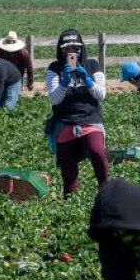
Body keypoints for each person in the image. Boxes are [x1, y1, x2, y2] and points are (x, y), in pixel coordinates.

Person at [45, 28, 108, 198]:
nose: (72, 53)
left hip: (90, 119)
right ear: (61, 50)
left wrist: (87, 80)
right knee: (68, 168)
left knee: (98, 153)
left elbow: (101, 94)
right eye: (67, 49)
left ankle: (106, 190)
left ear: (81, 49)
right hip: (65, 121)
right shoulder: (55, 68)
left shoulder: (92, 65)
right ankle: (70, 200)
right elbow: (55, 99)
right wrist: (64, 82)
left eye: (76, 49)